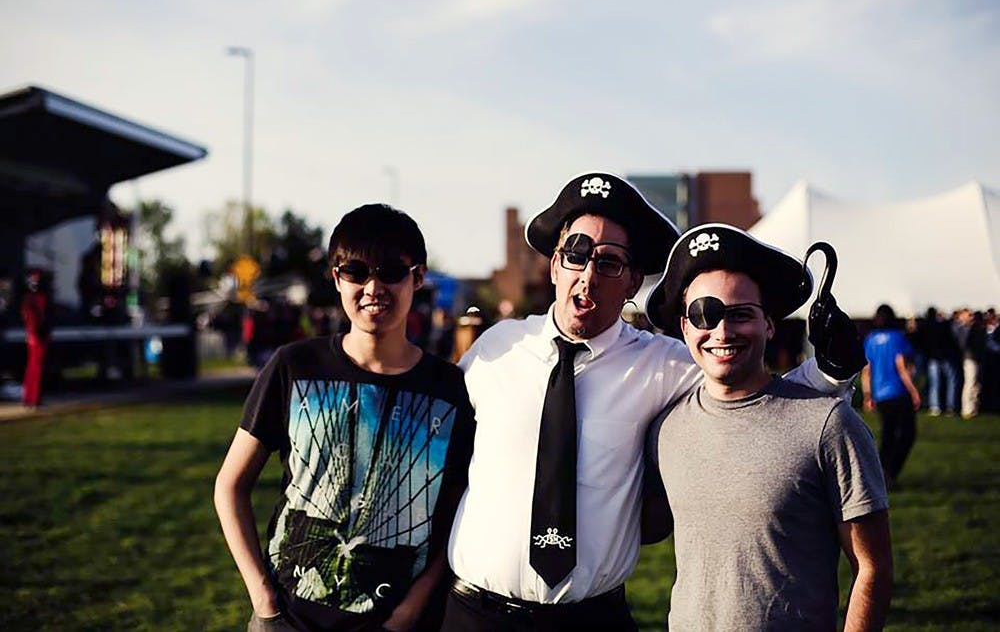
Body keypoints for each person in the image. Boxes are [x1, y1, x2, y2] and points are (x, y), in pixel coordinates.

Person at [442, 172, 866, 631]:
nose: (587, 275)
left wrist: (829, 368)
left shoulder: (664, 365)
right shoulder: (493, 350)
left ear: (631, 283)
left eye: (608, 263)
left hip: (592, 619)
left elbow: (758, 390)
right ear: (553, 265)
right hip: (474, 614)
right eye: (576, 254)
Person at [215, 204, 476, 632]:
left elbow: (457, 516)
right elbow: (229, 485)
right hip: (288, 620)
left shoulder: (450, 389)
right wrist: (264, 602)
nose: (374, 286)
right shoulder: (294, 366)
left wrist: (408, 613)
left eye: (391, 270)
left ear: (418, 278)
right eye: (356, 271)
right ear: (337, 279)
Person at [645, 224, 892, 631]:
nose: (722, 332)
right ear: (685, 327)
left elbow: (873, 568)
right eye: (703, 314)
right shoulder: (665, 428)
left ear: (770, 325)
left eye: (740, 314)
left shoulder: (829, 424)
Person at [862, 304, 921, 487]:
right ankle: (890, 474)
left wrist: (867, 395)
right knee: (907, 434)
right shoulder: (898, 338)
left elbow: (867, 370)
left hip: (881, 394)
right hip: (898, 391)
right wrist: (914, 390)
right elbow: (901, 367)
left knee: (887, 436)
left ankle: (880, 476)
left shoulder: (870, 340)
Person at [20, 268, 51, 409]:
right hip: (37, 335)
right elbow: (35, 318)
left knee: (33, 366)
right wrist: (34, 333)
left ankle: (29, 398)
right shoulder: (35, 298)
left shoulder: (31, 298)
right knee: (36, 367)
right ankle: (33, 399)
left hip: (36, 334)